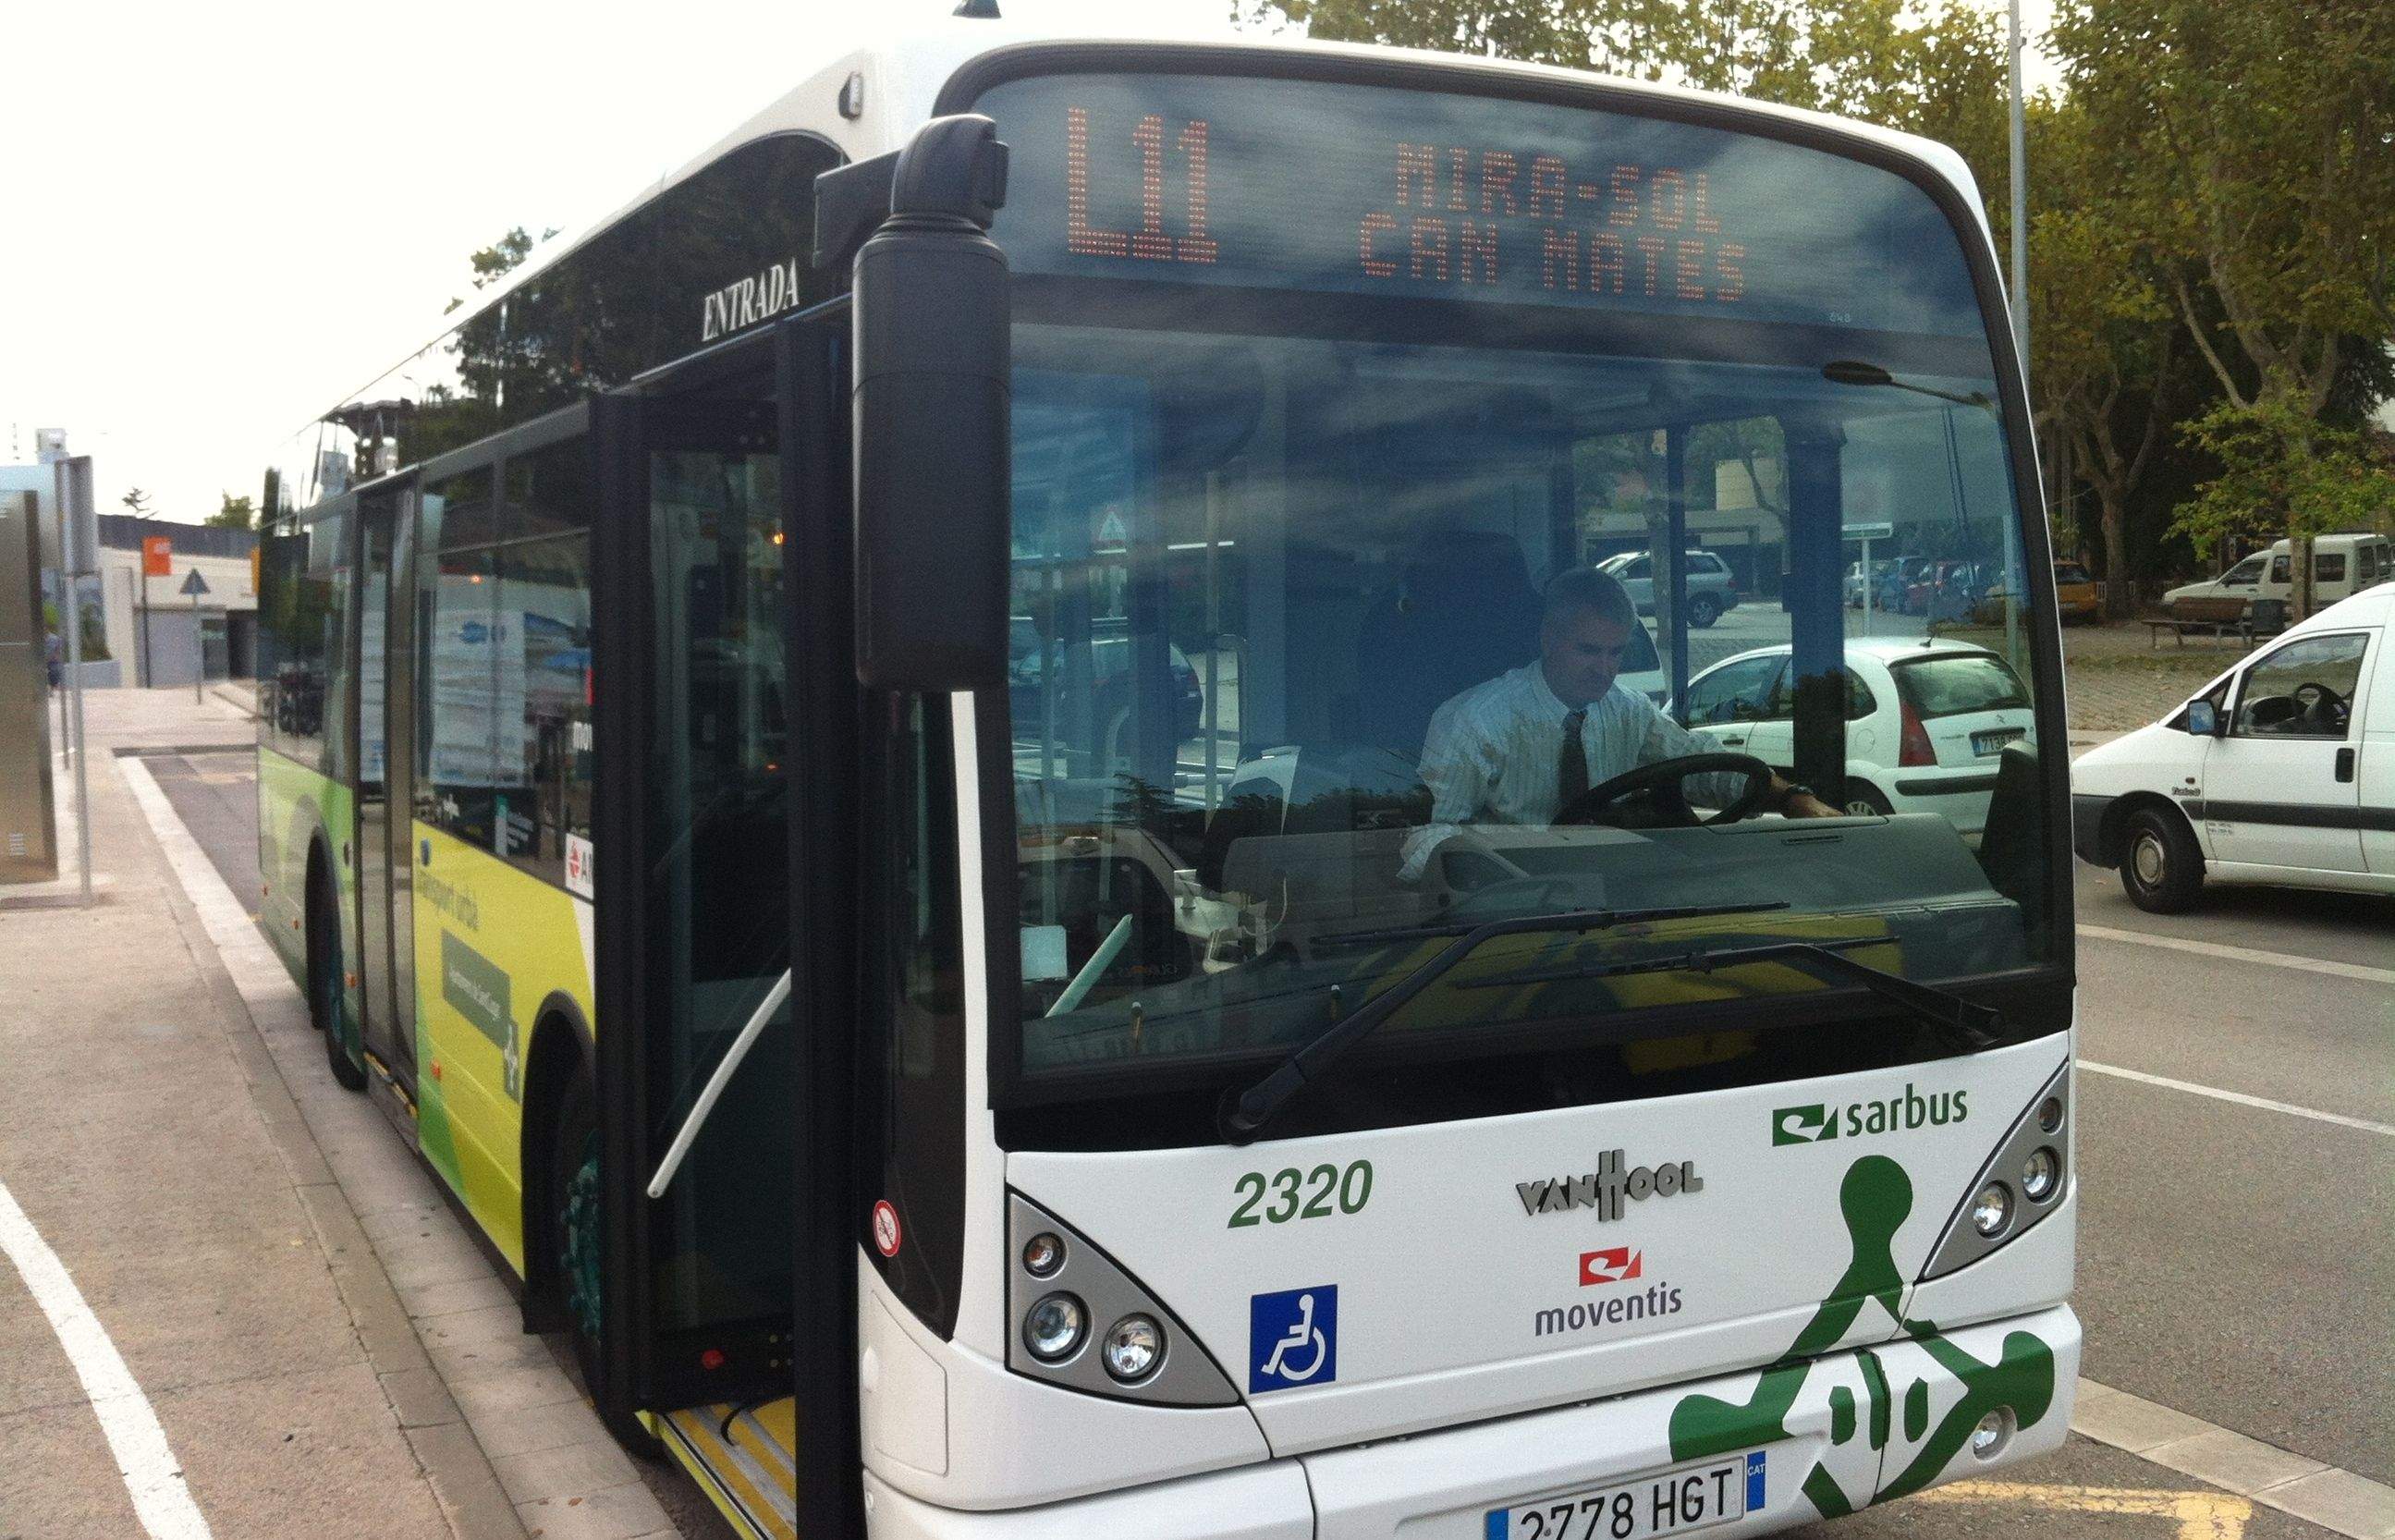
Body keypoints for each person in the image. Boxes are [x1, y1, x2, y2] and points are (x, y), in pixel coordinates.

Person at [1399, 566, 1836, 879]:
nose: (1604, 669)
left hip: (1612, 899)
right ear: (1549, 639)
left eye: (1616, 653)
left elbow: (1705, 767)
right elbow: (1430, 837)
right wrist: (1492, 872)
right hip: (1509, 910)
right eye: (1589, 651)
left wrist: (1794, 799)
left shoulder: (1627, 709)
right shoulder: (1475, 722)